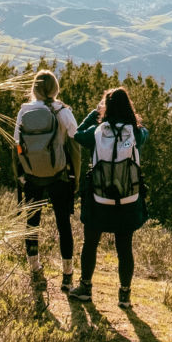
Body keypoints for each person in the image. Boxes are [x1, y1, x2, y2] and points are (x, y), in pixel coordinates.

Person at [68, 86, 149, 309]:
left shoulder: (96, 132)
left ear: (107, 108)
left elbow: (77, 134)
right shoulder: (136, 134)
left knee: (90, 243)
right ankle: (124, 295)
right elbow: (146, 134)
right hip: (127, 201)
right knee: (125, 248)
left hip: (98, 198)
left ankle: (85, 287)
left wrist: (95, 113)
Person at [14, 70, 80, 292]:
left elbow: (17, 143)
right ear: (55, 88)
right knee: (63, 225)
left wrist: (21, 174)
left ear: (34, 88)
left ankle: (35, 268)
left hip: (32, 175)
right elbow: (75, 138)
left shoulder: (24, 111)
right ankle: (67, 276)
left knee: (32, 223)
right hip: (59, 176)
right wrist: (76, 179)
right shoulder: (62, 111)